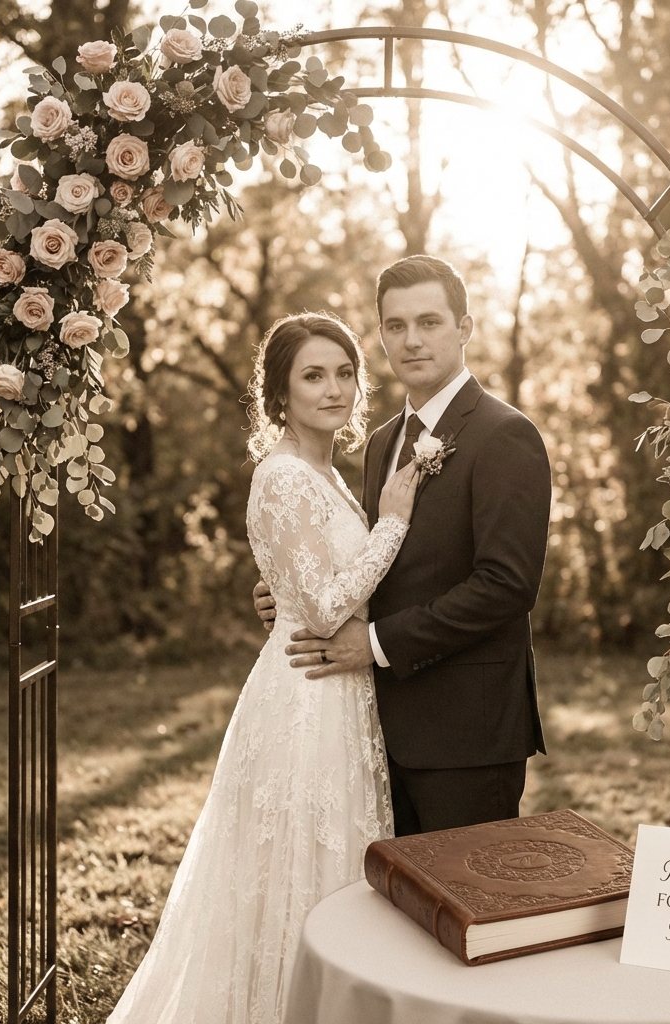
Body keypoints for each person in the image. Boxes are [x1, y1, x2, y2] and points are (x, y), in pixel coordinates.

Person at [107, 312, 421, 1024]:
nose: (334, 389)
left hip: (337, 689)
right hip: (306, 699)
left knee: (334, 869)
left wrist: (283, 589)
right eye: (314, 376)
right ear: (279, 394)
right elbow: (326, 606)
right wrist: (394, 523)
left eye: (344, 373)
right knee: (296, 878)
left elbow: (309, 581)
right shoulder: (282, 476)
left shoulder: (325, 473)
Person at [255, 255, 551, 837]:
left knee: (464, 892)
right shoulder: (383, 441)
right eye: (396, 326)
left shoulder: (505, 435)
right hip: (373, 729)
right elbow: (377, 558)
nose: (412, 340)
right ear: (383, 337)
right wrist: (290, 588)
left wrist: (374, 643)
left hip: (465, 734)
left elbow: (506, 586)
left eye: (429, 322)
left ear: (464, 329)